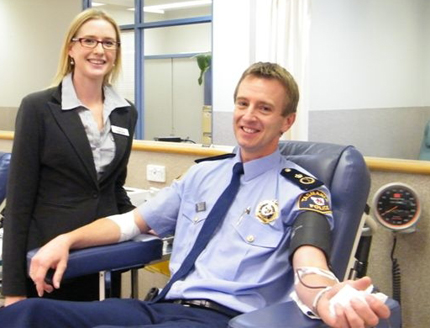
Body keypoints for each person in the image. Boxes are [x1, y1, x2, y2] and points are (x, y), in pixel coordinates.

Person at [0, 62, 390, 328]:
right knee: (26, 315)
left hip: (222, 319)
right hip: (157, 309)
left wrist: (325, 297)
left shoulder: (304, 190)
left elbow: (310, 263)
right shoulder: (203, 174)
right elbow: (129, 224)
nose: (248, 116)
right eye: (242, 103)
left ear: (286, 121)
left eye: (264, 108)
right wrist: (66, 240)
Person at [1, 8, 137, 306]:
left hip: (100, 252)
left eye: (108, 43)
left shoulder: (126, 111)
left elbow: (113, 188)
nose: (99, 50)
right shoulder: (39, 108)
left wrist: (146, 219)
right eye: (89, 41)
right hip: (47, 256)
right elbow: (19, 200)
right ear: (71, 48)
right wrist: (12, 288)